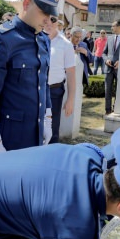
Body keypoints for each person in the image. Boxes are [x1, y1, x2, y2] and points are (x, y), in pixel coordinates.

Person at [0, 0, 68, 154]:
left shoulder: (43, 40)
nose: (48, 21)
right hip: (9, 139)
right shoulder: (1, 39)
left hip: (37, 134)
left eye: (52, 16)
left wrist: (47, 119)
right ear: (26, 4)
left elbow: (44, 83)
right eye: (45, 13)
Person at [43, 14, 76, 144]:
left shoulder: (65, 44)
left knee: (52, 130)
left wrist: (70, 100)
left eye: (53, 20)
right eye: (45, 19)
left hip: (54, 92)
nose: (49, 23)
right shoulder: (34, 39)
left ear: (58, 22)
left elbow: (71, 74)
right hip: (34, 90)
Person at [104, 19, 120, 115]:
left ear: (119, 26)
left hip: (119, 70)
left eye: (113, 26)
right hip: (108, 68)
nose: (112, 28)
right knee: (107, 90)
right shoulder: (109, 38)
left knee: (118, 90)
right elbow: (104, 53)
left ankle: (116, 108)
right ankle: (107, 110)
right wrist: (106, 59)